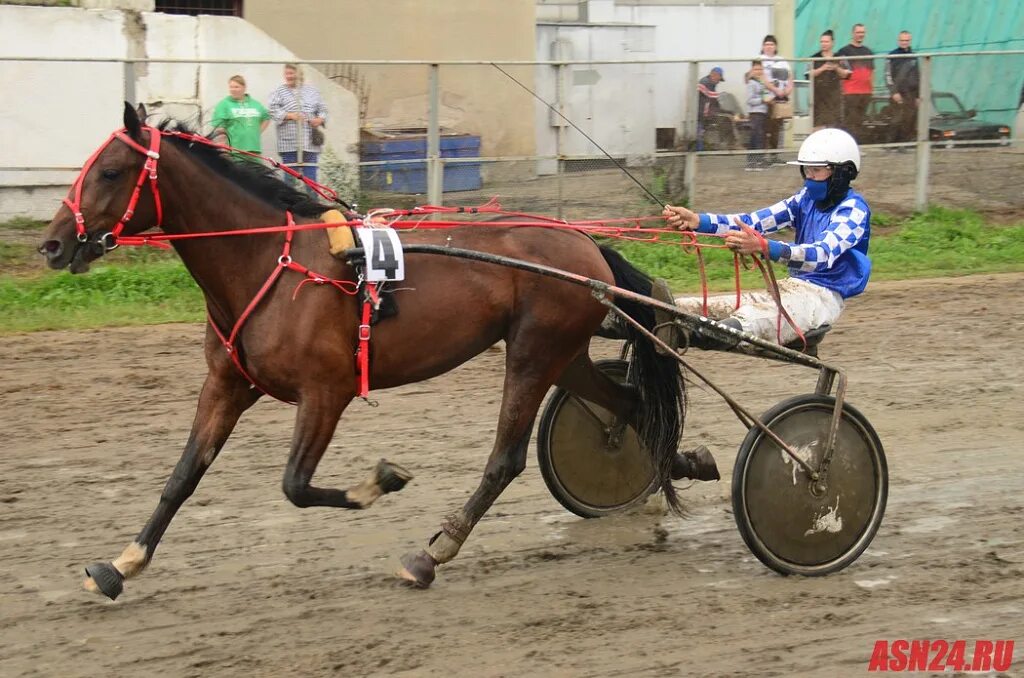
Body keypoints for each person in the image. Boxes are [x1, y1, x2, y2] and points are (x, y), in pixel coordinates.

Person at [662, 128, 871, 347]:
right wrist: (698, 221)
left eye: (816, 170)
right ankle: (663, 315)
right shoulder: (804, 199)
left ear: (842, 173)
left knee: (748, 320)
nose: (809, 177)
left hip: (820, 299)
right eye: (806, 170)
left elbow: (820, 255)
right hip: (790, 288)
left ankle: (687, 335)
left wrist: (764, 247)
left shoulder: (853, 210)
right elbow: (753, 222)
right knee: (694, 306)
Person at [268, 63, 329, 181]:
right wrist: (290, 115)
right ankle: (289, 200)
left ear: (299, 74)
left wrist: (319, 119)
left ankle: (311, 199)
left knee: (311, 180)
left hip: (310, 144)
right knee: (289, 180)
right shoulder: (279, 92)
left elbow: (323, 109)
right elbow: (272, 111)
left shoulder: (312, 91)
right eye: (286, 74)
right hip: (289, 144)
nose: (288, 76)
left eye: (291, 73)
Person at [210, 75, 271, 156]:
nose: (233, 90)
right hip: (235, 151)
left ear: (244, 88)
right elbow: (219, 127)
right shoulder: (224, 104)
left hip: (254, 150)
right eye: (231, 87)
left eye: (236, 87)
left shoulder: (255, 104)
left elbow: (267, 117)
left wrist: (256, 132)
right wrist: (224, 146)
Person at [836, 24, 875, 142]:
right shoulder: (844, 51)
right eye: (858, 32)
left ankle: (857, 145)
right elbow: (838, 68)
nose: (860, 35)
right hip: (850, 92)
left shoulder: (868, 51)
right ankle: (848, 145)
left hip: (865, 92)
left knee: (860, 121)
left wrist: (871, 89)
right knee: (850, 121)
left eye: (862, 32)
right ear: (853, 33)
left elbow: (872, 72)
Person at [758, 35, 794, 162]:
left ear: (776, 46)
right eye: (766, 44)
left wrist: (787, 90)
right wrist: (775, 90)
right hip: (767, 99)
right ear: (763, 46)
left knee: (776, 129)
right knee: (765, 128)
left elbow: (790, 76)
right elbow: (762, 78)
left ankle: (774, 155)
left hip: (780, 99)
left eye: (771, 44)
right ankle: (762, 156)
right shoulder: (759, 60)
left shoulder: (781, 60)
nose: (769, 46)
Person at [807, 30, 851, 130]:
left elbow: (847, 74)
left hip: (834, 99)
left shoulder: (840, 57)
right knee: (818, 129)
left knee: (834, 128)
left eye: (826, 42)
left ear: (832, 43)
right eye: (822, 42)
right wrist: (822, 68)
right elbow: (807, 74)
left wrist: (836, 68)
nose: (824, 44)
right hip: (818, 99)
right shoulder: (814, 58)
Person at [885, 30, 920, 145]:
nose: (904, 42)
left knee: (909, 120)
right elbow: (887, 75)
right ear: (898, 41)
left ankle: (903, 144)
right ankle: (889, 144)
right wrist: (893, 92)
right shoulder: (892, 56)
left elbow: (918, 76)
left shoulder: (914, 57)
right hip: (898, 94)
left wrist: (918, 96)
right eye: (902, 40)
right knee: (896, 120)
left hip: (911, 94)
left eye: (906, 40)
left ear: (910, 41)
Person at [745, 60, 772, 170]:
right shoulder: (751, 83)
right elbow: (749, 100)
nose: (759, 71)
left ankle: (758, 161)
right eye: (756, 69)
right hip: (755, 113)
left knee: (760, 137)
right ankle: (752, 162)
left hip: (763, 112)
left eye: (760, 69)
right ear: (752, 70)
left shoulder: (761, 82)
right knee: (756, 137)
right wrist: (762, 100)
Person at [697, 66, 725, 151]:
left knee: (701, 131)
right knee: (699, 131)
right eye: (719, 79)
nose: (718, 82)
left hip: (702, 112)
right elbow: (711, 98)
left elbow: (713, 100)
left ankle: (701, 149)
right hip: (700, 112)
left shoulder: (709, 83)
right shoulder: (706, 82)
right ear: (715, 75)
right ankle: (699, 151)